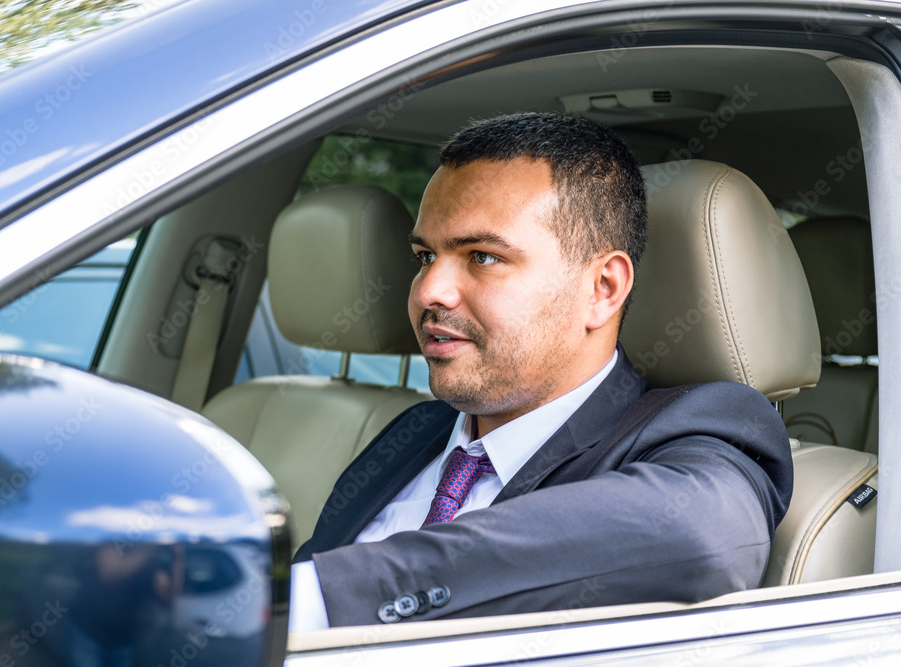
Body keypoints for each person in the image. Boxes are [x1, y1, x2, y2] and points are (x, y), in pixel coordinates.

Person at [289, 113, 792, 629]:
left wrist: (321, 600)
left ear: (603, 289)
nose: (427, 291)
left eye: (482, 256)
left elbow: (699, 531)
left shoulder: (695, 432)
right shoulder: (414, 432)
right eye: (425, 256)